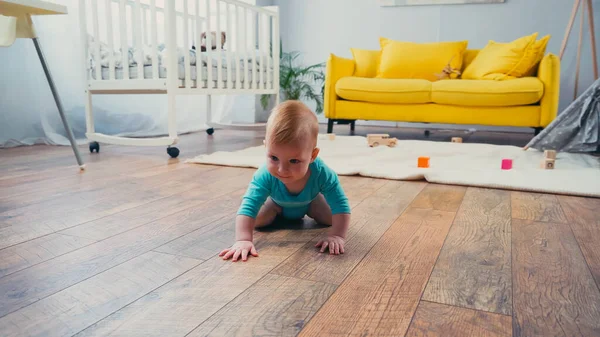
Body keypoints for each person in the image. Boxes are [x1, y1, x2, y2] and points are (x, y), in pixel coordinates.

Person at [219, 100, 351, 262]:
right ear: (266, 147)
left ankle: (312, 206)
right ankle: (276, 211)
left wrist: (337, 236)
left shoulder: (322, 173)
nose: (282, 170)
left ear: (312, 156)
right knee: (257, 220)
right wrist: (243, 240)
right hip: (275, 204)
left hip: (311, 202)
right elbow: (248, 207)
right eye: (274, 158)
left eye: (294, 161)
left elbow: (341, 205)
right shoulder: (264, 175)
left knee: (331, 219)